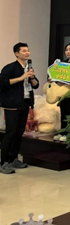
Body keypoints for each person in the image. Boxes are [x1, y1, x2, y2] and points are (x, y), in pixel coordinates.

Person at [0, 43, 39, 174]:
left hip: (25, 103)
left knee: (19, 133)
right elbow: (3, 82)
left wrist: (31, 77)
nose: (27, 53)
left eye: (28, 50)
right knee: (11, 133)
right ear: (17, 53)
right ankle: (3, 162)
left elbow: (35, 85)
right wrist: (21, 78)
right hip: (12, 105)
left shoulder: (29, 68)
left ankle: (13, 158)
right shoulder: (9, 68)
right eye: (24, 51)